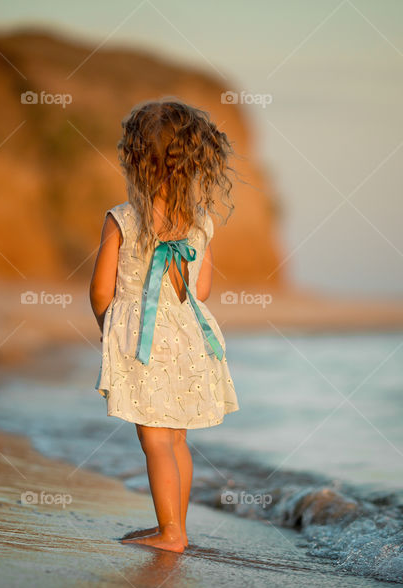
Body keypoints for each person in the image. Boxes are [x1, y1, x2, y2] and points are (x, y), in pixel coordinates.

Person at [89, 99, 239, 552]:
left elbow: (100, 290)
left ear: (134, 160)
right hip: (191, 337)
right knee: (176, 438)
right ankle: (177, 528)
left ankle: (170, 533)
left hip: (143, 338)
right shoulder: (200, 222)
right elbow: (204, 289)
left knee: (153, 439)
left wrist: (108, 329)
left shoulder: (123, 218)